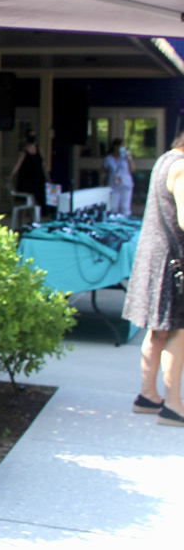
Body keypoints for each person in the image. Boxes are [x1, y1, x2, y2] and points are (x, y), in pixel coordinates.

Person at [123, 131, 184, 427]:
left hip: (154, 256)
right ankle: (174, 405)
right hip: (173, 260)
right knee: (178, 330)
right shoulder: (183, 167)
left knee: (158, 329)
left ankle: (148, 396)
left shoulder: (164, 159)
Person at [8, 130, 50, 209]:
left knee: (39, 199)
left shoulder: (38, 148)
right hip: (27, 179)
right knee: (27, 200)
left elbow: (43, 164)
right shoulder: (24, 151)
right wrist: (11, 175)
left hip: (38, 178)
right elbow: (18, 164)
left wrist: (48, 177)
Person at [103, 137, 135, 215]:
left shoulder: (125, 157)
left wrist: (129, 157)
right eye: (121, 145)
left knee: (125, 207)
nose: (123, 148)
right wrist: (102, 183)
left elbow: (133, 169)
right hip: (114, 185)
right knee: (113, 207)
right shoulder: (109, 159)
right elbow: (103, 171)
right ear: (115, 147)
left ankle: (126, 222)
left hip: (126, 184)